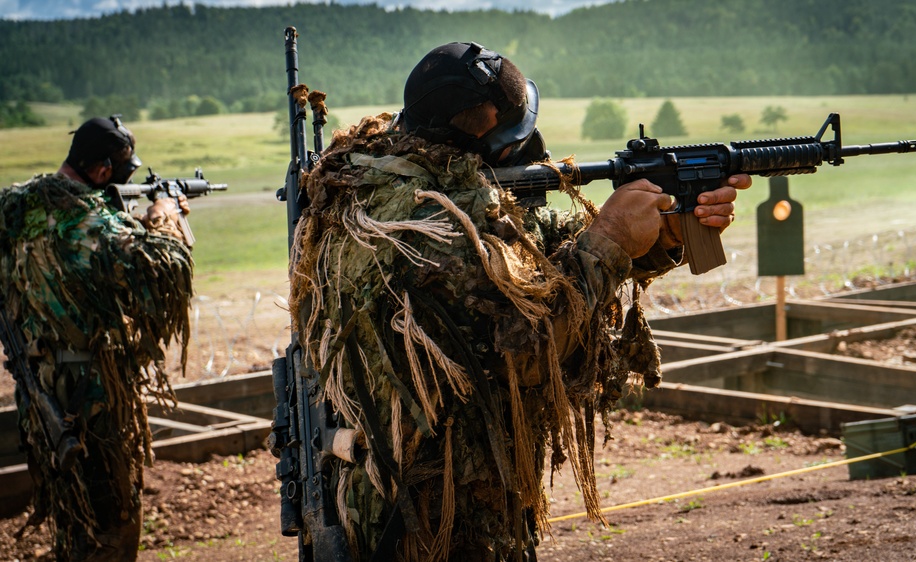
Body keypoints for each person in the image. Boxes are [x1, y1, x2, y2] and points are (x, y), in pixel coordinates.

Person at [287, 42, 749, 562]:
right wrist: (611, 241)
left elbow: (537, 253)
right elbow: (528, 349)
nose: (536, 151)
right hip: (430, 518)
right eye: (520, 140)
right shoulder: (428, 231)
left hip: (442, 491)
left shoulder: (399, 180)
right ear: (489, 150)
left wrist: (660, 234)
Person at [0, 116, 194, 561]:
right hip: (90, 399)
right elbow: (162, 267)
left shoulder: (20, 204)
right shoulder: (88, 221)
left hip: (39, 388)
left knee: (75, 516)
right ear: (104, 172)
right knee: (112, 524)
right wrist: (164, 217)